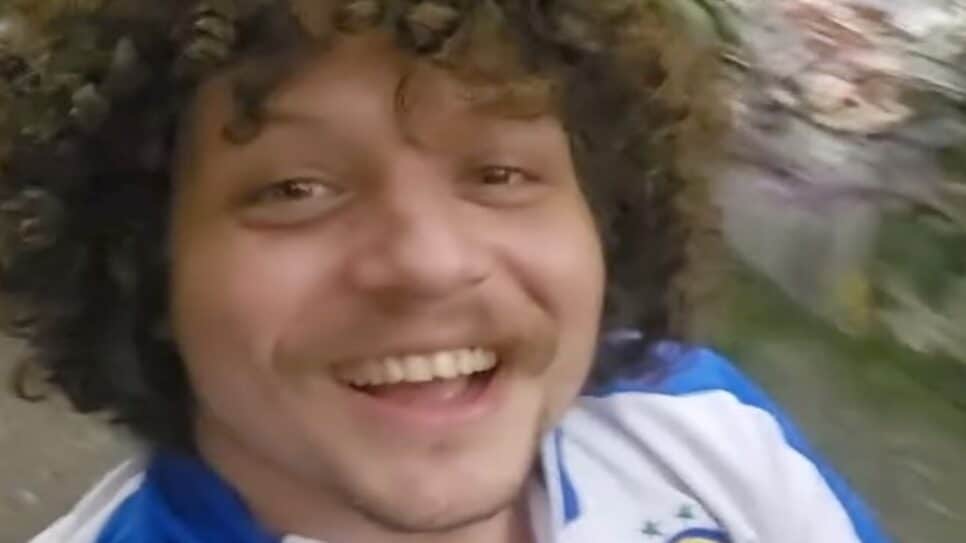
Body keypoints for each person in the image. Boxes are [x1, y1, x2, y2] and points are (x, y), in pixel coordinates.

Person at [0, 1, 890, 542]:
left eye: (499, 173)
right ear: (143, 261)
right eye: (295, 189)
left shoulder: (703, 425)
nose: (430, 263)